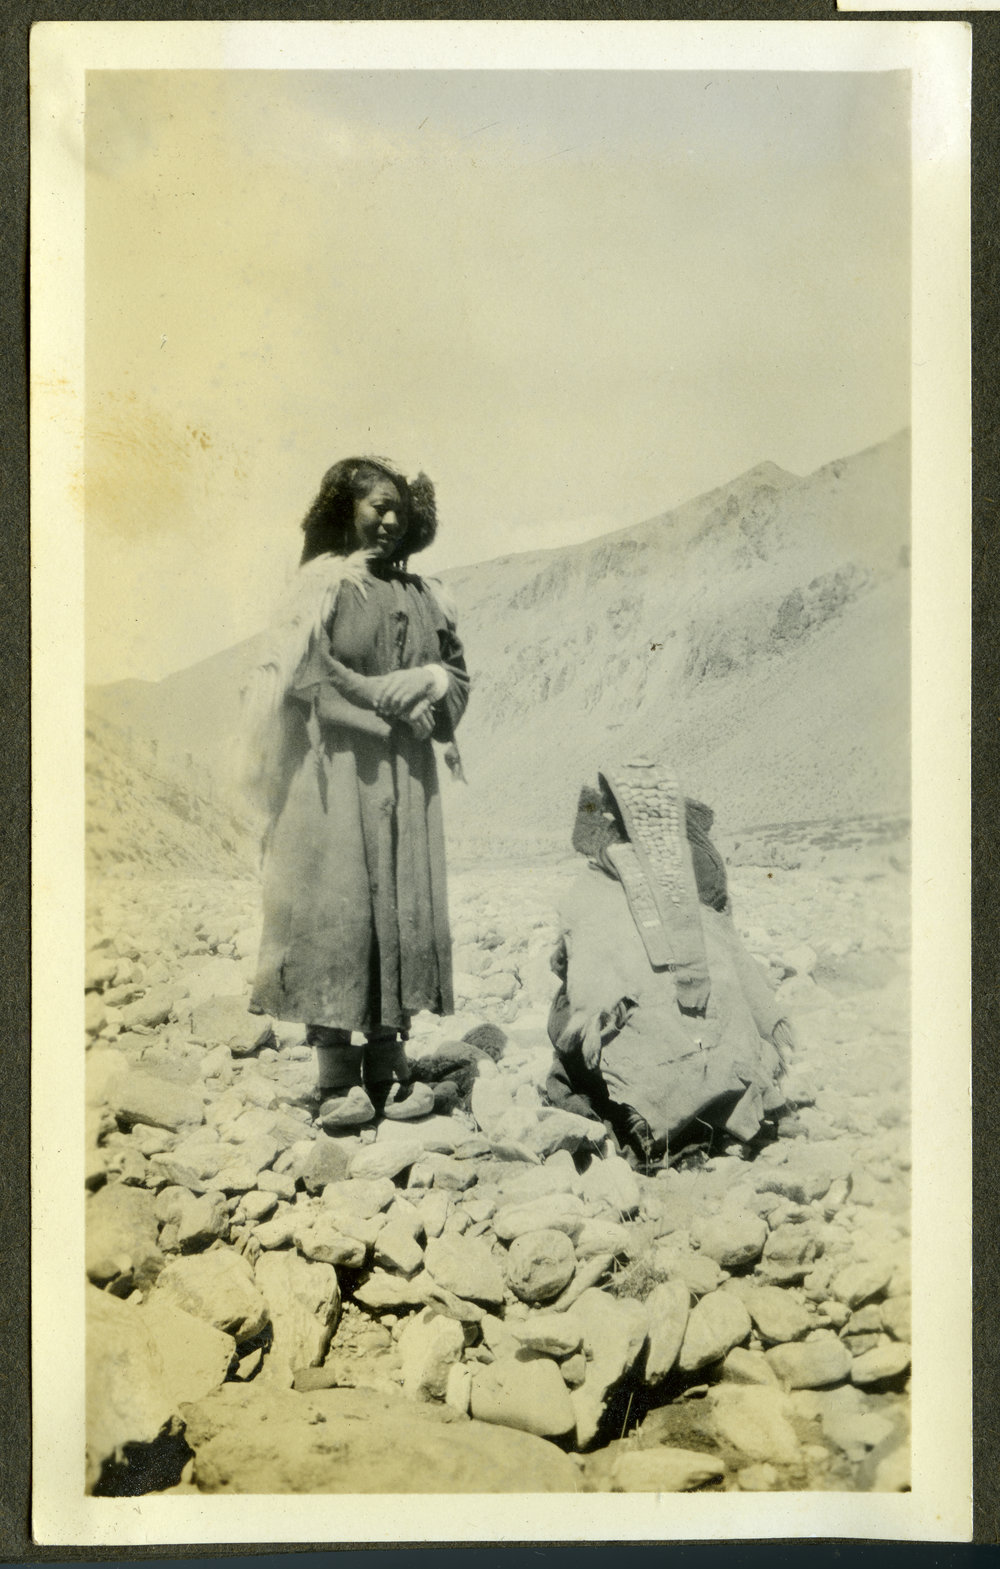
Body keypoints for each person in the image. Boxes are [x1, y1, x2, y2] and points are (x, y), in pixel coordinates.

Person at [241, 456, 469, 1128]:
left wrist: (429, 680)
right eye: (377, 505)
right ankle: (337, 1072)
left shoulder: (429, 596)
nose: (389, 518)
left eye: (399, 508)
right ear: (347, 509)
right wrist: (388, 703)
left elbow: (456, 679)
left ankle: (391, 1064)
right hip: (333, 778)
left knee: (398, 905)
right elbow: (307, 674)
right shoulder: (320, 591)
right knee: (338, 908)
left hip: (404, 781)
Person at [545, 760, 794, 1168]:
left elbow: (576, 990)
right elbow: (752, 994)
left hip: (647, 1101)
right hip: (736, 1080)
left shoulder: (591, 889)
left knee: (566, 1016)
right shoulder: (696, 887)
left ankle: (657, 1119)